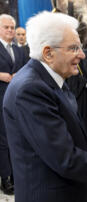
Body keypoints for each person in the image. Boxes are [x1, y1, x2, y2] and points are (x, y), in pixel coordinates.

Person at [2, 11, 87, 202]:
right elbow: (65, 158)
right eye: (74, 48)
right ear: (48, 53)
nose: (82, 55)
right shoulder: (31, 89)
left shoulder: (49, 79)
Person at [0, 14, 26, 195]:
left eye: (12, 27)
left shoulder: (19, 50)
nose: (10, 30)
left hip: (16, 101)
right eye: (6, 27)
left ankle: (17, 175)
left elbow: (26, 69)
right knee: (2, 140)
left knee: (15, 138)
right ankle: (5, 178)